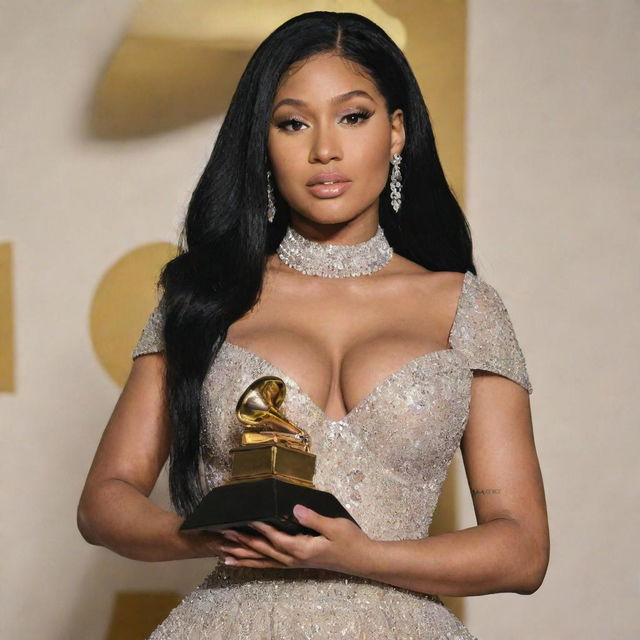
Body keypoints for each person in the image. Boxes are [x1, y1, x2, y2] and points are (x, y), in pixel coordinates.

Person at [77, 10, 549, 639]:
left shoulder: (466, 308)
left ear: (398, 130)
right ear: (263, 142)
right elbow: (104, 500)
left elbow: (522, 550)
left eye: (354, 116)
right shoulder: (202, 299)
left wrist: (360, 555)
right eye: (293, 123)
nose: (324, 149)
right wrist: (195, 534)